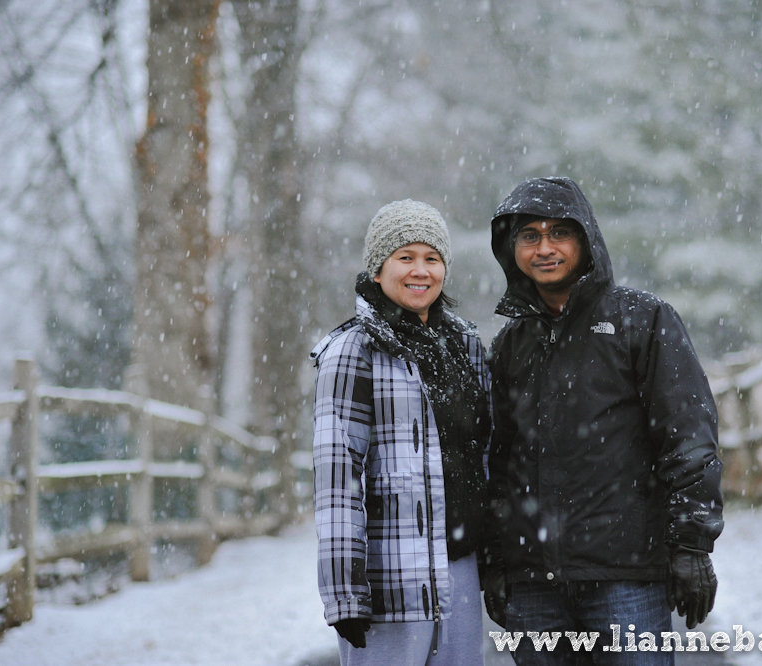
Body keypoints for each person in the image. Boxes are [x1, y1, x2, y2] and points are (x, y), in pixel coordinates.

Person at [482, 177, 723, 665]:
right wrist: (495, 560)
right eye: (529, 236)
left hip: (625, 577)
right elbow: (496, 461)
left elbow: (688, 437)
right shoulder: (510, 344)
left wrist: (691, 545)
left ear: (585, 240)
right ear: (512, 250)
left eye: (558, 234)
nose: (544, 248)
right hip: (534, 587)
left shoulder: (642, 320)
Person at [310, 200, 491, 666]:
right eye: (405, 257)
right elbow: (338, 479)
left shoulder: (465, 346)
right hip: (390, 573)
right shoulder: (353, 350)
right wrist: (345, 594)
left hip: (461, 567)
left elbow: (485, 453)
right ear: (378, 269)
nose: (420, 270)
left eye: (432, 258)